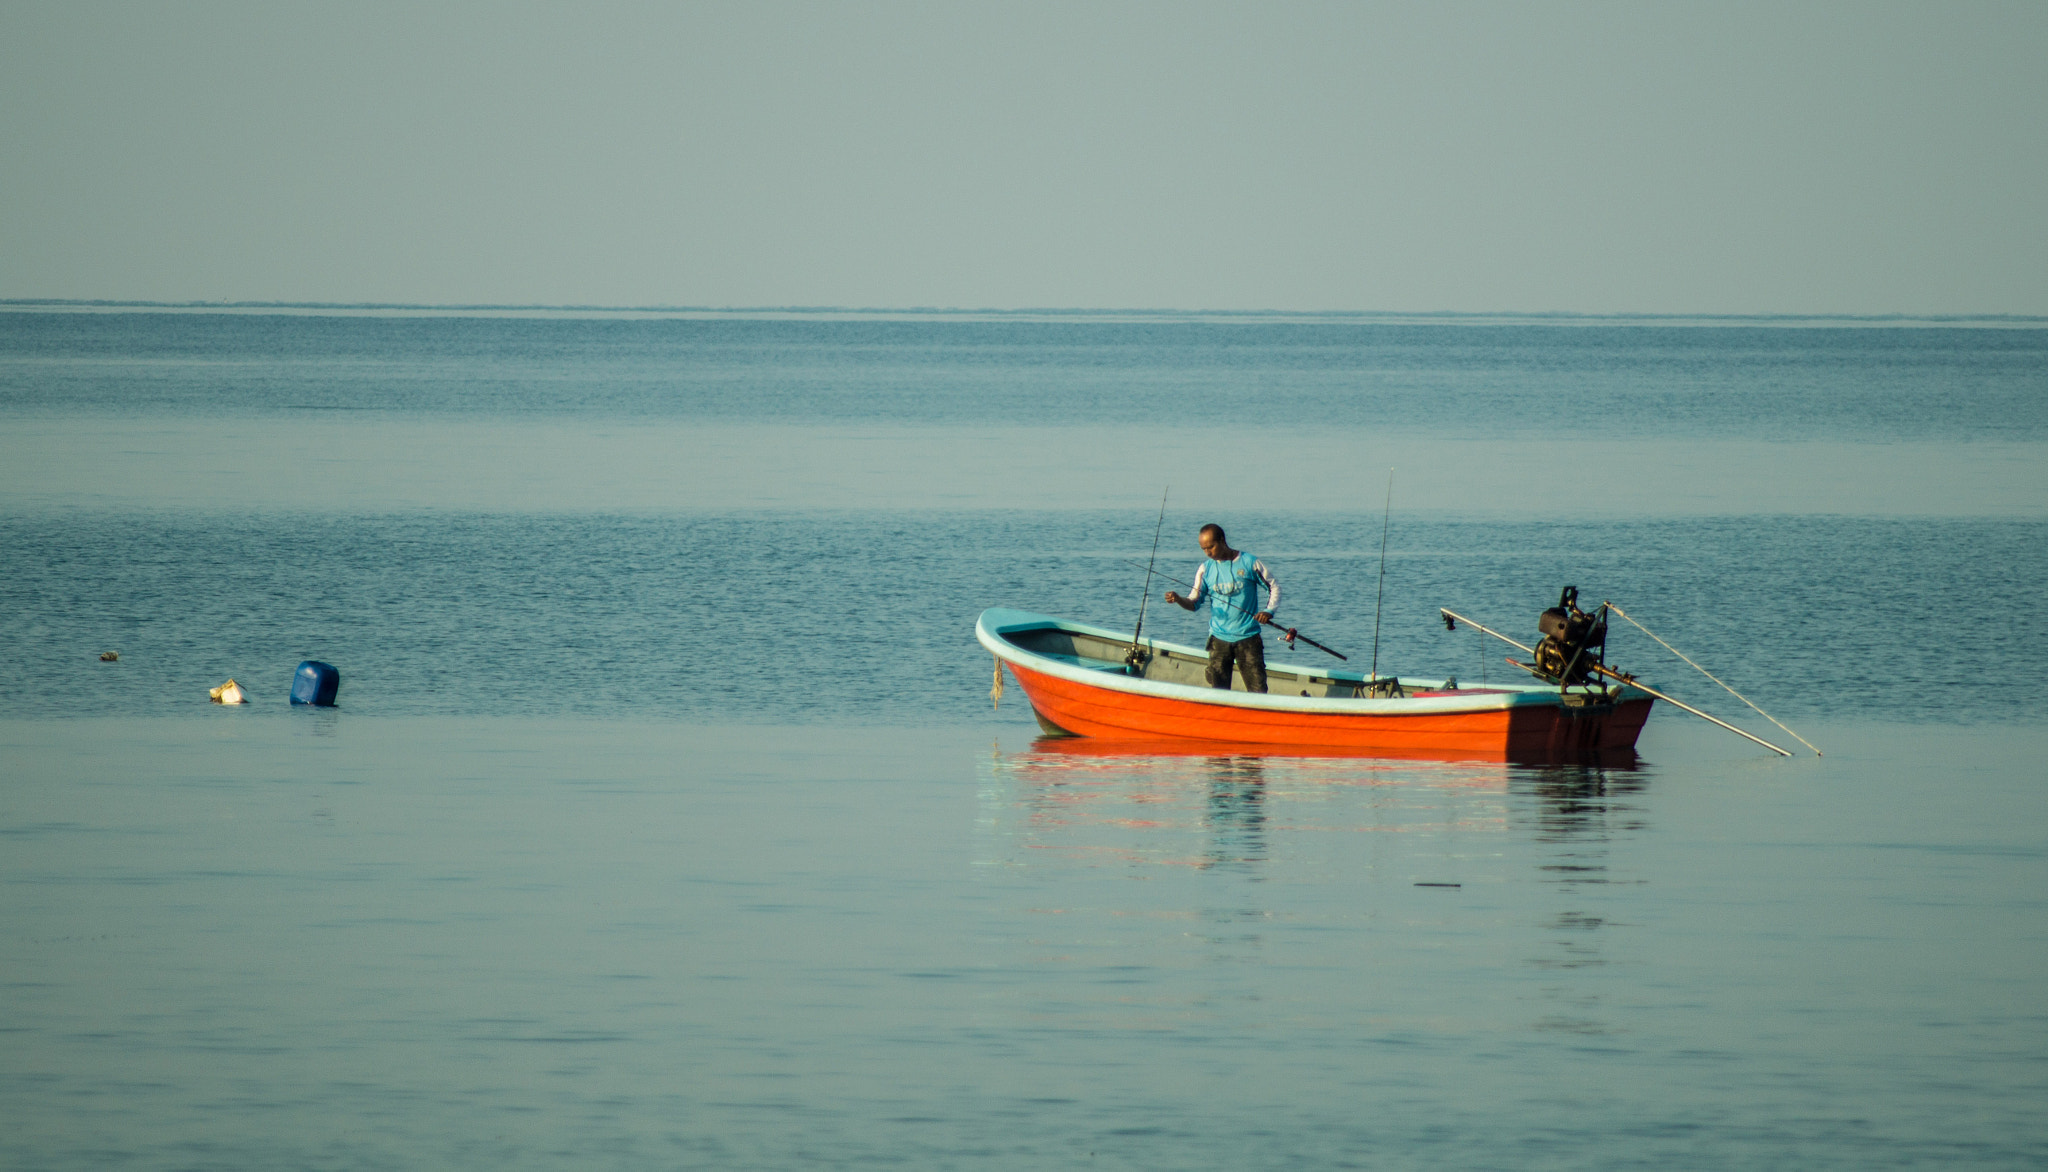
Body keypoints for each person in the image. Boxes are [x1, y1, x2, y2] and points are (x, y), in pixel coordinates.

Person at [1162, 523, 1281, 693]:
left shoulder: (1249, 562)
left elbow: (1274, 586)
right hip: (1219, 640)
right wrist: (1178, 599)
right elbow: (1194, 602)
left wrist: (1268, 611)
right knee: (1219, 691)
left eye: (1211, 546)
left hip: (1248, 638)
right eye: (1204, 549)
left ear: (1222, 541)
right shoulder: (1205, 569)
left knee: (1258, 691)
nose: (1208, 552)